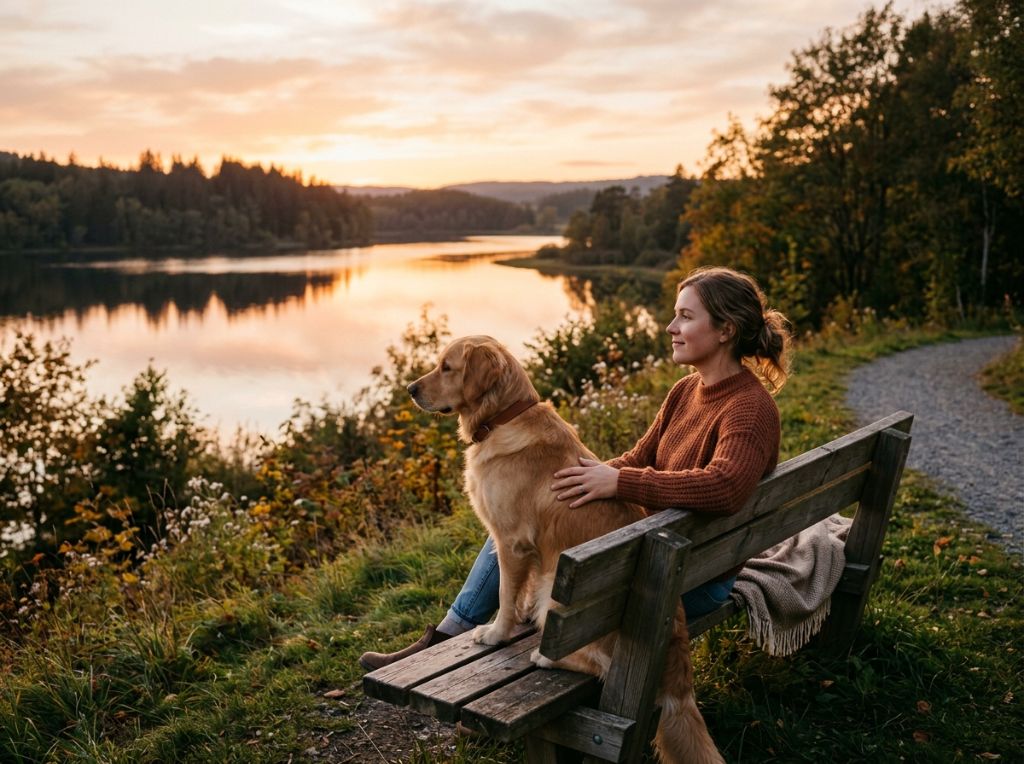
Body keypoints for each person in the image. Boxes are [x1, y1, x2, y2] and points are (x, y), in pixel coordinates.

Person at [360, 266, 792, 671]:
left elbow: (725, 487)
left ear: (726, 330)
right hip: (664, 555)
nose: (670, 328)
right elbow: (640, 458)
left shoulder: (749, 408)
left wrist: (618, 480)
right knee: (527, 513)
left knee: (517, 529)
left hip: (687, 578)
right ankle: (458, 629)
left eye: (684, 317)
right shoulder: (688, 391)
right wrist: (579, 478)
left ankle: (469, 634)